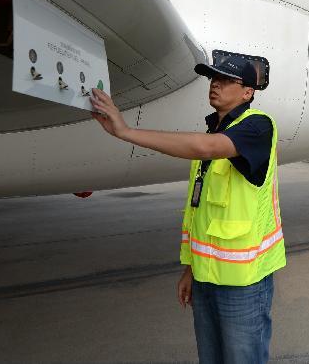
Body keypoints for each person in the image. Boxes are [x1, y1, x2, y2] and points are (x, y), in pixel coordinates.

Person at [90, 54, 284, 363]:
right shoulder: (213, 132)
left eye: (225, 80)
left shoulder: (257, 127)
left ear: (248, 92)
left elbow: (204, 148)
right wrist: (191, 269)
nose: (215, 84)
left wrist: (125, 131)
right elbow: (201, 211)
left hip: (243, 282)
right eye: (212, 78)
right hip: (207, 278)